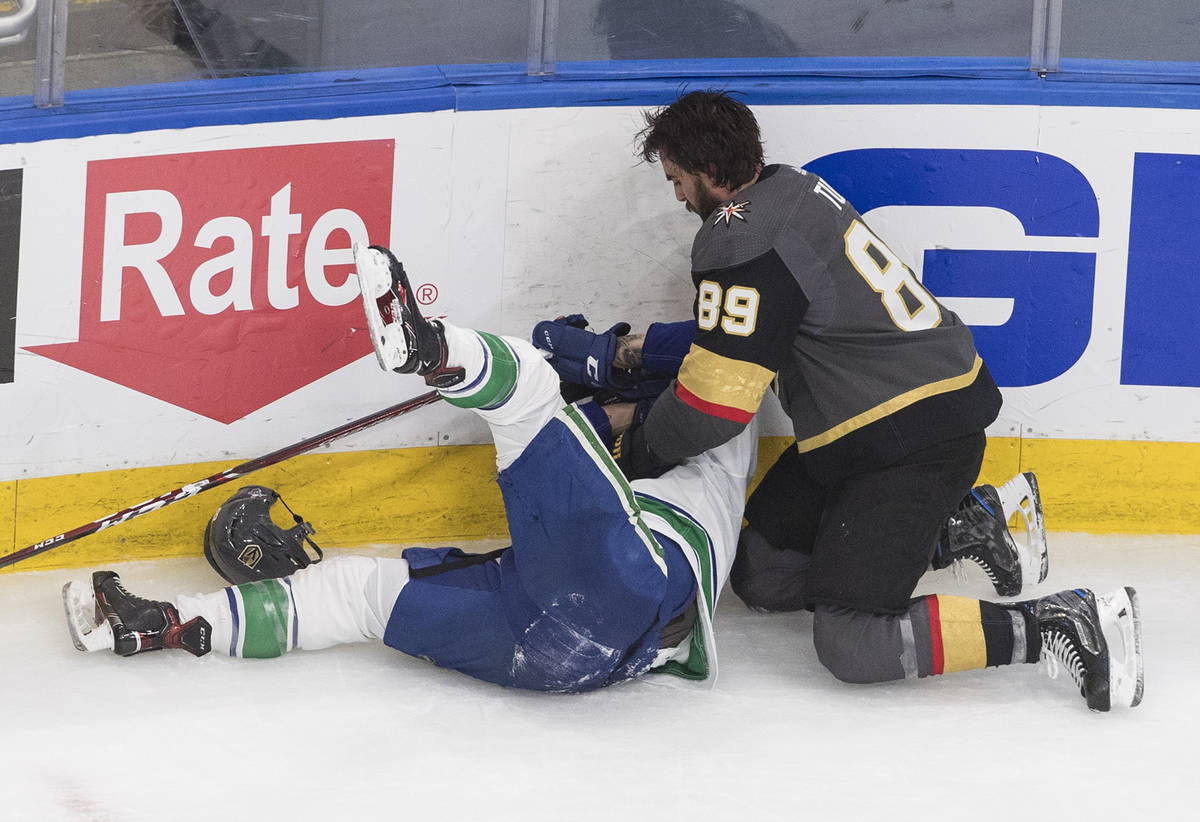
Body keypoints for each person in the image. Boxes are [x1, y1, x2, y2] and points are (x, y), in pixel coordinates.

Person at [532, 90, 1143, 711]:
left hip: (913, 441)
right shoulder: (791, 189)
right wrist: (630, 354)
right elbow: (751, 331)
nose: (678, 196)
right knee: (762, 575)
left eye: (679, 179)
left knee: (853, 640)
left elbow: (714, 408)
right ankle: (964, 525)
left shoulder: (739, 238)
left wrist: (628, 443)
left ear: (710, 172)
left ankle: (1058, 622)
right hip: (874, 422)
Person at [61, 244, 758, 693]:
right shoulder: (676, 428)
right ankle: (168, 622)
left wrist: (613, 364)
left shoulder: (731, 403)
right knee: (361, 592)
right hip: (559, 653)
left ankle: (430, 347)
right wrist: (604, 373)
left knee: (534, 393)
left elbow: (711, 371)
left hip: (631, 582)